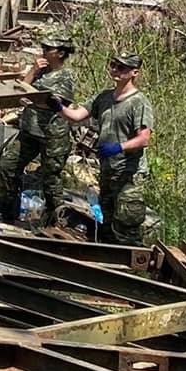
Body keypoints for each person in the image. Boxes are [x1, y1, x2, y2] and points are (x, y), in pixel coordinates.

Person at [62, 50, 154, 246]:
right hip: (108, 170)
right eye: (113, 65)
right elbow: (77, 116)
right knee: (107, 222)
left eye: (121, 67)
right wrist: (56, 106)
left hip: (129, 173)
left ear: (134, 72)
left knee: (127, 223)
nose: (115, 70)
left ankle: (132, 268)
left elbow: (144, 138)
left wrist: (119, 147)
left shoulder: (139, 102)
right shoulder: (104, 98)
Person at [0, 35, 77, 218]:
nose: (44, 52)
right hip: (30, 130)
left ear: (60, 53)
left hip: (52, 134)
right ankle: (7, 213)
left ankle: (54, 220)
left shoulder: (65, 76)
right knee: (7, 166)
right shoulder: (41, 71)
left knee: (50, 179)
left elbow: (56, 103)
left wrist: (31, 100)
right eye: (44, 48)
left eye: (48, 49)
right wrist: (33, 71)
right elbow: (20, 89)